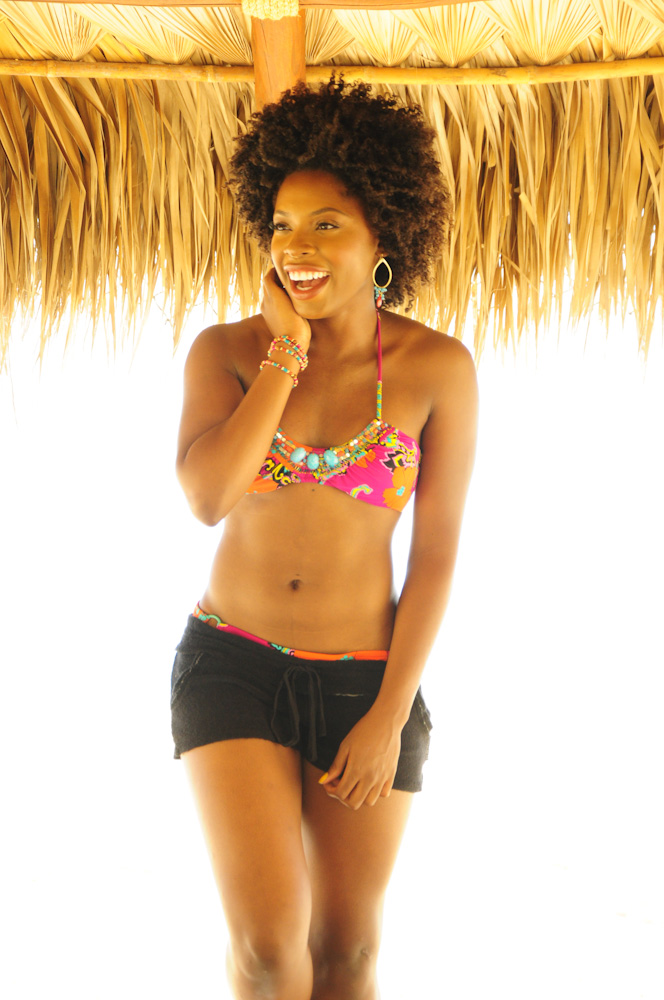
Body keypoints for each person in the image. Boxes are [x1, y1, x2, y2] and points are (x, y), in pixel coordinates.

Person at [171, 78, 478, 1000]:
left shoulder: (438, 369)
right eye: (281, 225)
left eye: (326, 225)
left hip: (367, 681)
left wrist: (389, 714)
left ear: (384, 234)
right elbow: (209, 497)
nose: (296, 247)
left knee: (346, 952)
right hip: (232, 663)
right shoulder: (227, 352)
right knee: (271, 953)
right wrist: (285, 352)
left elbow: (435, 557)